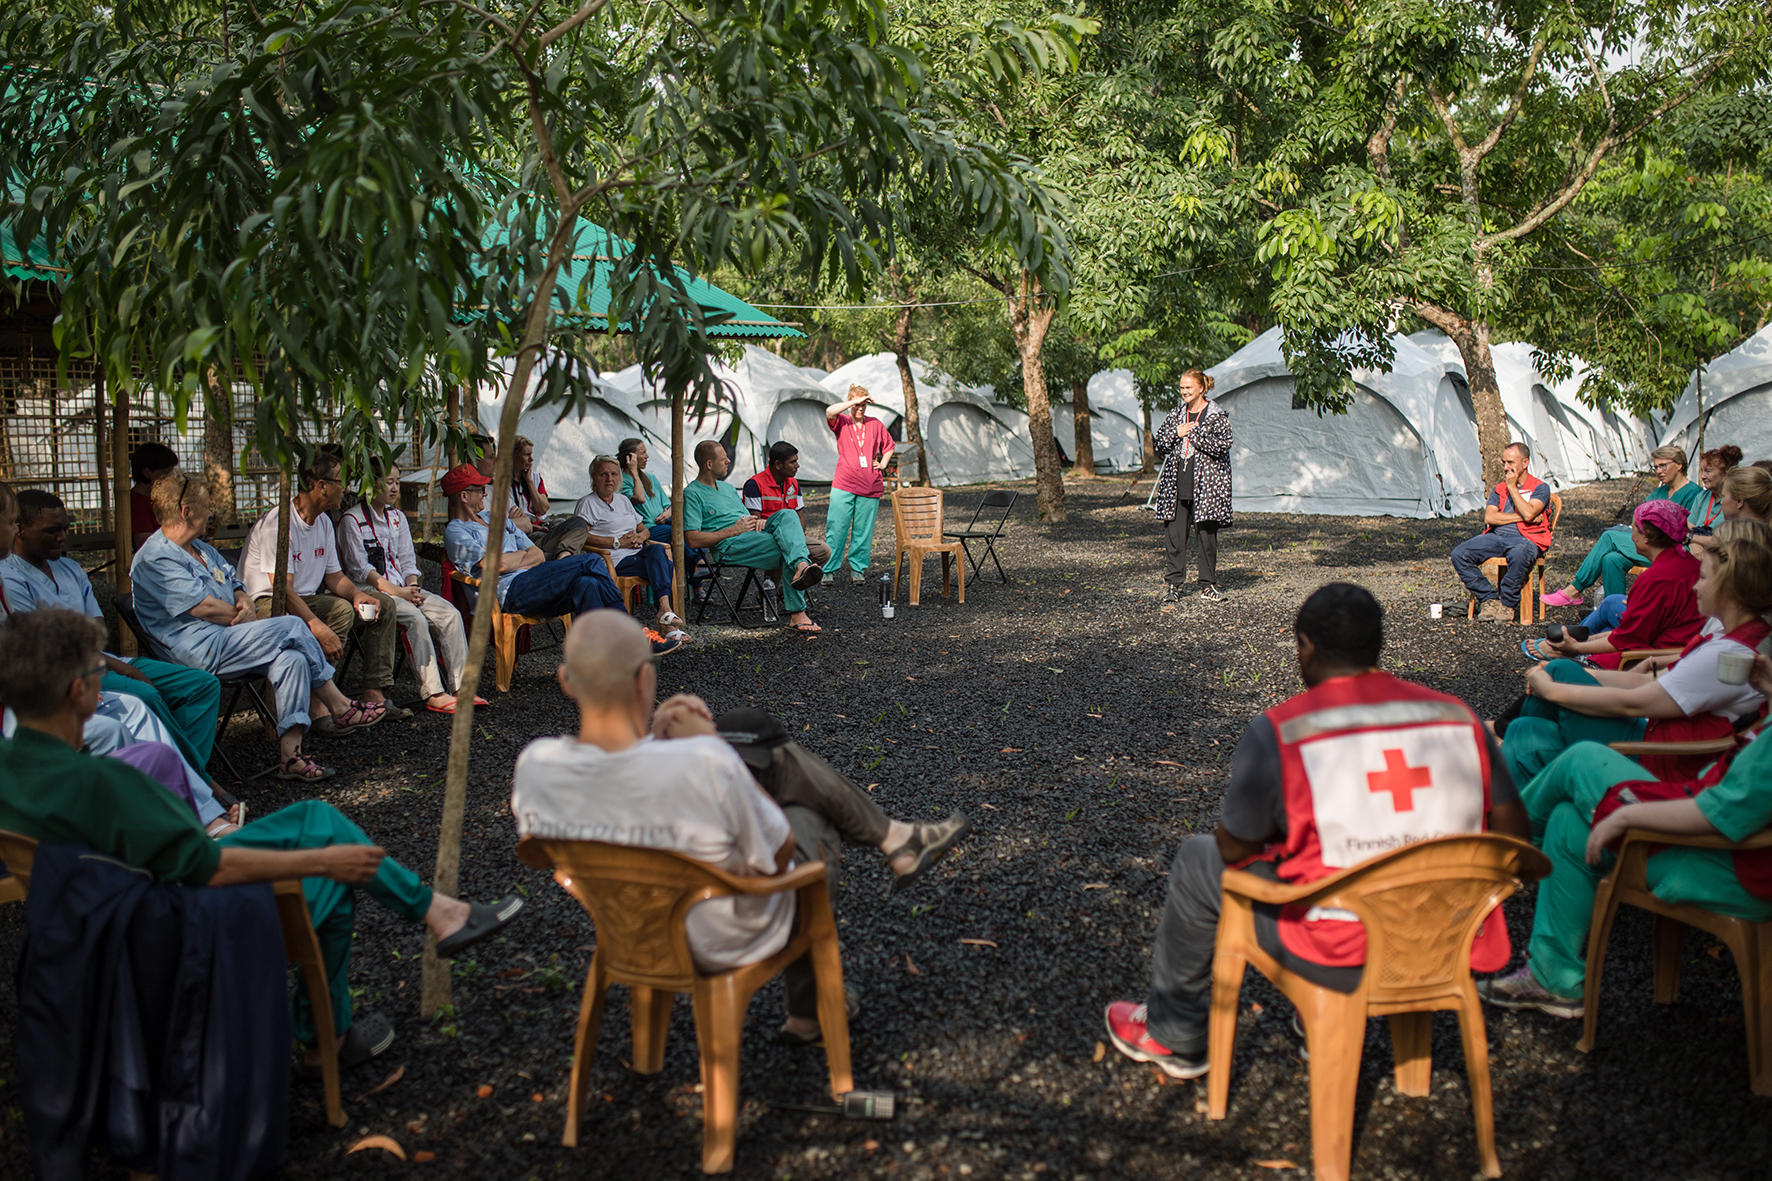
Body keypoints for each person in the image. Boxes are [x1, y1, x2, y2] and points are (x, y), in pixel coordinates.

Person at [0, 606, 524, 1067]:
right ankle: (330, 1033)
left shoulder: (13, 768)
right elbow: (208, 865)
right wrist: (325, 864)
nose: (103, 681)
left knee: (316, 820)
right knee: (330, 880)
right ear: (78, 692)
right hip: (166, 925)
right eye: (98, 671)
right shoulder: (100, 779)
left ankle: (434, 919)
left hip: (87, 927)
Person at [1102, 583, 1529, 1078]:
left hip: (1336, 944)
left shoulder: (1283, 730)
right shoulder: (1458, 718)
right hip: (1448, 937)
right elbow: (1514, 838)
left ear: (1305, 646)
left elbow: (1236, 846)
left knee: (1200, 856)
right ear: (1378, 644)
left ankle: (1175, 1034)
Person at [510, 612, 971, 1044]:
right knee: (805, 814)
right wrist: (707, 746)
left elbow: (618, 782)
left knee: (757, 747)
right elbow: (776, 853)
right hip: (725, 934)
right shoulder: (705, 762)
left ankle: (896, 843)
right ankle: (812, 1004)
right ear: (646, 677)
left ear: (566, 680)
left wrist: (657, 740)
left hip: (630, 935)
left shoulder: (535, 767)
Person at [1480, 654, 1772, 1019]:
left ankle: (1488, 859)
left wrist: (1628, 815)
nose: (1694, 590)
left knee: (1581, 759)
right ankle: (1553, 975)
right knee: (1568, 819)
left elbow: (1721, 812)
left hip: (1725, 866)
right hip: (1716, 836)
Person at [0, 482, 233, 830]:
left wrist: (103, 658)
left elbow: (93, 630)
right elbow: (41, 651)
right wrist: (113, 664)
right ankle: (194, 793)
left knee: (200, 686)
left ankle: (191, 783)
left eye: (65, 528)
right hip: (60, 678)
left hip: (92, 661)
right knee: (144, 696)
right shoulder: (9, 575)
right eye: (11, 522)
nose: (63, 536)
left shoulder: (70, 569)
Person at [131, 472, 387, 782]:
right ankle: (339, 704)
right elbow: (204, 608)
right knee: (291, 626)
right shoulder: (154, 558)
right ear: (187, 512)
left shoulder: (201, 549)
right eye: (208, 505)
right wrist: (243, 613)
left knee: (291, 658)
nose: (212, 512)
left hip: (231, 639)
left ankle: (291, 757)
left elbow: (236, 583)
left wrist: (246, 601)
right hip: (197, 652)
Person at [1499, 521, 1770, 786]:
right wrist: (1568, 673)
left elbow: (1634, 699)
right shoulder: (1737, 635)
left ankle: (1502, 744)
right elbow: (1651, 679)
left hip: (1656, 751)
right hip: (1660, 726)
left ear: (1729, 586)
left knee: (1538, 713)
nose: (1696, 586)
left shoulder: (1729, 653)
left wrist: (1551, 689)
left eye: (1703, 577)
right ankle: (1507, 761)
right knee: (1552, 684)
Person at [441, 463, 678, 655]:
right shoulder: (457, 532)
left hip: (533, 581)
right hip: (509, 592)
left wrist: (515, 558)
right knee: (591, 561)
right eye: (479, 489)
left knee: (589, 584)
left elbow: (535, 554)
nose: (485, 492)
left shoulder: (496, 519)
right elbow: (498, 566)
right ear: (464, 496)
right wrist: (517, 558)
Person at [242, 451, 404, 718]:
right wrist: (317, 626)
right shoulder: (278, 524)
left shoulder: (324, 522)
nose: (346, 489)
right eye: (341, 482)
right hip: (267, 605)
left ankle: (373, 691)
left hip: (305, 600)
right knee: (338, 612)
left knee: (382, 604)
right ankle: (318, 701)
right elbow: (283, 590)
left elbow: (334, 577)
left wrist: (356, 595)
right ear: (321, 486)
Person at [339, 459, 482, 714]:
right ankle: (433, 692)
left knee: (449, 613)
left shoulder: (397, 518)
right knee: (415, 618)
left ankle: (463, 687)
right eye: (389, 482)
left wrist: (412, 587)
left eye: (397, 482)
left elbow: (407, 559)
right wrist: (399, 593)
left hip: (403, 589)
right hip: (371, 593)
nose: (395, 488)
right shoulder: (352, 520)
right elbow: (360, 569)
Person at [1520, 500, 1702, 667]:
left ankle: (1567, 648)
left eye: (1634, 530)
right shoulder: (1690, 563)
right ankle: (1567, 642)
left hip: (1661, 651)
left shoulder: (1654, 578)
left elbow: (1627, 638)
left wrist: (1575, 648)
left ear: (1647, 537)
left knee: (1561, 669)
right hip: (1678, 636)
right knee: (1612, 601)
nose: (1631, 536)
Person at [1543, 444, 1708, 607]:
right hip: (1648, 545)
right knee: (1611, 559)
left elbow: (1688, 531)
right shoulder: (1658, 493)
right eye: (1655, 466)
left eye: (1663, 465)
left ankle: (1576, 589)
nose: (1658, 471)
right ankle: (1616, 613)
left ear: (1679, 465)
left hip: (1674, 551)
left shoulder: (1695, 494)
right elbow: (1638, 522)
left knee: (1609, 537)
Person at [685, 440, 823, 632]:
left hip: (751, 536)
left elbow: (747, 519)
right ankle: (798, 612)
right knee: (787, 547)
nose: (728, 460)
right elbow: (692, 540)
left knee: (788, 514)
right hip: (730, 546)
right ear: (709, 464)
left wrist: (760, 523)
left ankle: (801, 565)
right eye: (723, 457)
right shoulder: (691, 494)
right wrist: (734, 530)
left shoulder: (727, 488)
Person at [572, 455, 690, 643]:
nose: (609, 479)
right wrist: (616, 542)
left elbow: (643, 530)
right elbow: (581, 537)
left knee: (658, 552)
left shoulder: (622, 500)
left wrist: (640, 537)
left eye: (614, 474)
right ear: (594, 477)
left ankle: (664, 611)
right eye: (603, 474)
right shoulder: (587, 503)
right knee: (664, 565)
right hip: (613, 560)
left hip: (636, 555)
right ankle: (666, 622)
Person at [1153, 369, 1233, 604]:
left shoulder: (1217, 415)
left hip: (1206, 486)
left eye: (1188, 387)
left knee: (1206, 537)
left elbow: (1224, 444)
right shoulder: (1177, 414)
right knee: (1175, 538)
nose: (1184, 392)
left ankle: (1208, 585)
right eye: (1181, 388)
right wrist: (1176, 433)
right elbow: (1160, 444)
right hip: (1177, 485)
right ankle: (1173, 585)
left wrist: (1195, 434)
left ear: (1201, 388)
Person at [1452, 441, 1555, 622]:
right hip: (1497, 536)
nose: (1506, 467)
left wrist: (1513, 488)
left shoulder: (1540, 488)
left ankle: (1508, 604)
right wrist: (1523, 517)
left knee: (1520, 554)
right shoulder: (1498, 489)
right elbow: (1490, 518)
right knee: (1459, 554)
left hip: (1526, 538)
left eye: (1511, 462)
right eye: (1504, 463)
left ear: (1524, 463)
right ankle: (1489, 599)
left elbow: (1530, 511)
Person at [822, 385, 895, 586]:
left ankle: (857, 569)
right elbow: (829, 411)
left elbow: (889, 446)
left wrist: (883, 464)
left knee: (863, 531)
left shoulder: (875, 425)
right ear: (850, 404)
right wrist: (853, 402)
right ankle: (828, 569)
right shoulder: (842, 422)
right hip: (844, 483)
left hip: (870, 485)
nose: (860, 408)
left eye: (864, 405)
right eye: (857, 404)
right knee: (836, 527)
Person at [744, 440, 835, 576]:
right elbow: (755, 523)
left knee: (824, 551)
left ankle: (784, 588)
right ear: (778, 465)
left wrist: (797, 539)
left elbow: (800, 517)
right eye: (793, 462)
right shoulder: (754, 485)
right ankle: (775, 591)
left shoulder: (793, 483)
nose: (797, 465)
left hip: (793, 538)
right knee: (785, 551)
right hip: (767, 540)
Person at [128, 441, 181, 549]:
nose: (170, 477)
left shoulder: (162, 497)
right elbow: (145, 543)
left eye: (172, 471)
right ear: (147, 472)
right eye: (165, 472)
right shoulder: (136, 502)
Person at [1686, 444, 1741, 547]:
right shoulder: (1702, 497)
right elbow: (1690, 525)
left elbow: (1727, 541)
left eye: (1708, 471)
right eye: (1702, 470)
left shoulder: (1736, 501)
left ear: (1725, 473)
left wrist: (1690, 539)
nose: (1702, 476)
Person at [619, 437, 673, 537]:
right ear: (631, 457)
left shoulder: (651, 478)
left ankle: (697, 553)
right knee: (674, 532)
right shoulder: (621, 482)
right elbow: (640, 498)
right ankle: (696, 553)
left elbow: (667, 505)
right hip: (648, 528)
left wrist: (667, 513)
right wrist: (634, 471)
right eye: (642, 453)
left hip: (665, 522)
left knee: (688, 526)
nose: (647, 456)